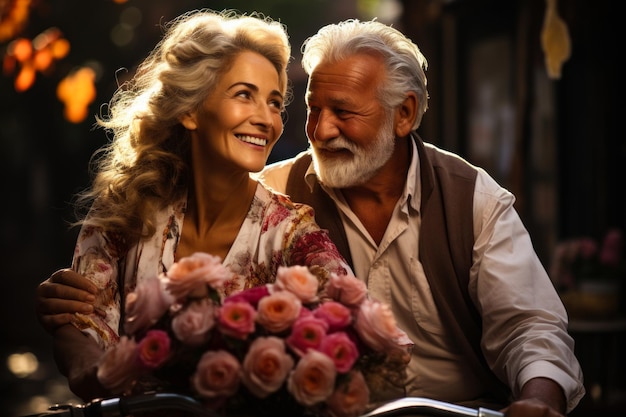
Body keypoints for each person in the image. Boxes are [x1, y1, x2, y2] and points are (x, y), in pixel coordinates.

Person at [36, 18, 585, 417]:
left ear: (405, 115)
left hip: (460, 410)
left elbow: (529, 326)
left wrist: (537, 400)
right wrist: (75, 321)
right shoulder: (269, 191)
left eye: (343, 112)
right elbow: (91, 322)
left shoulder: (472, 200)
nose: (319, 131)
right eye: (310, 109)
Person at [36, 9, 353, 402]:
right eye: (244, 95)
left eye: (274, 103)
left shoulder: (292, 232)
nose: (266, 119)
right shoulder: (126, 210)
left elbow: (348, 329)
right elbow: (81, 321)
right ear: (190, 110)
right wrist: (88, 369)